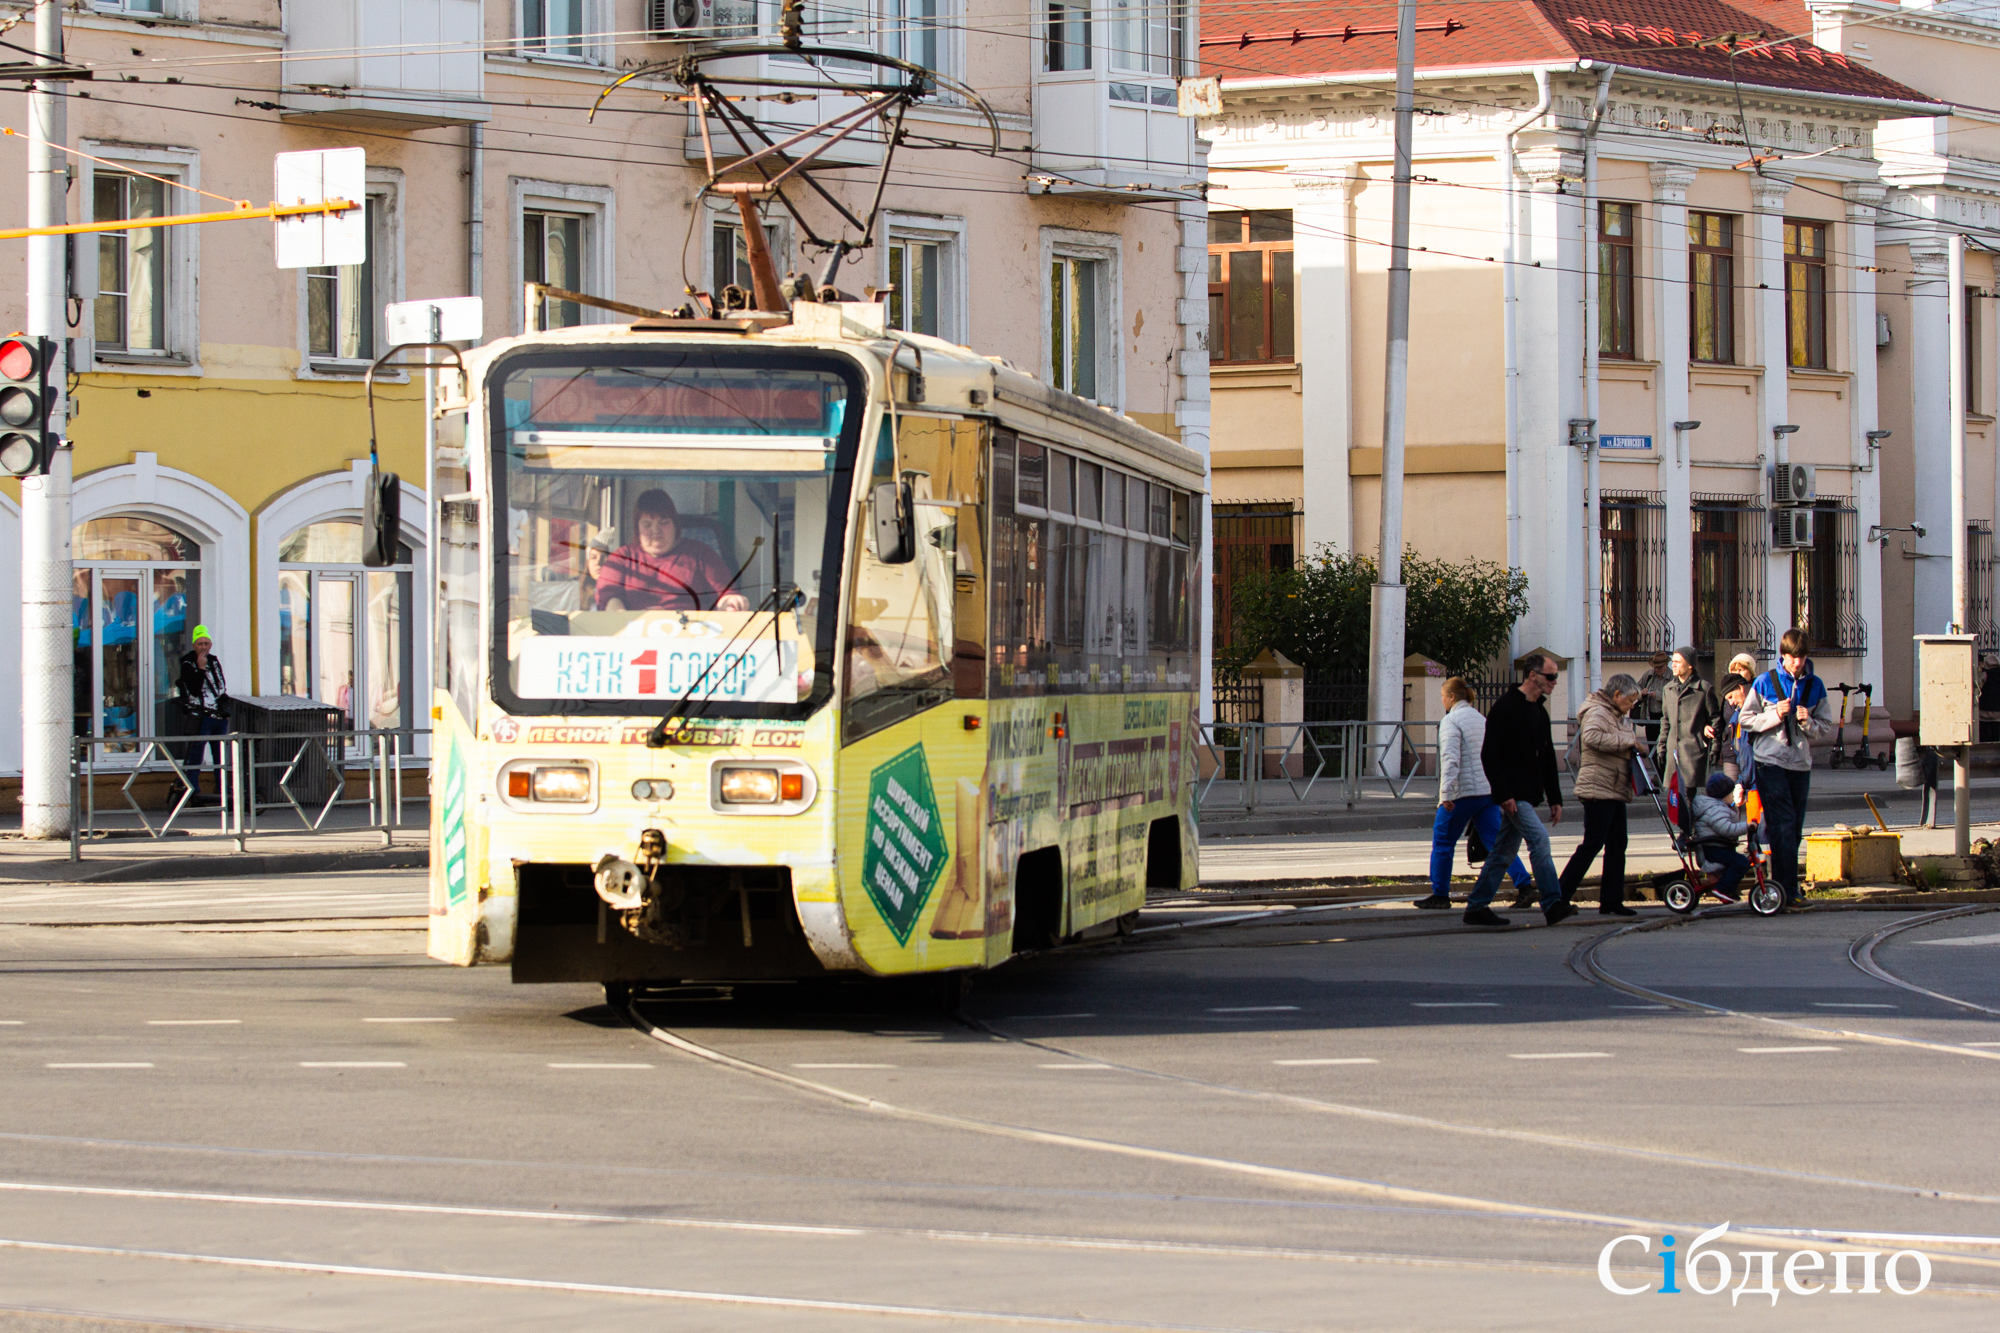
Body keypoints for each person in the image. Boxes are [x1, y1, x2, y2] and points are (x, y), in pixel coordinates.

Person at [1462, 655, 1573, 928]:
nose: (1554, 682)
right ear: (1532, 676)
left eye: (1556, 677)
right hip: (1513, 794)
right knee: (1540, 841)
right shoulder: (1506, 707)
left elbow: (1546, 757)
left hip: (1528, 792)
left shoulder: (1539, 711)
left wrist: (1555, 798)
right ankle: (1552, 903)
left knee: (1502, 853)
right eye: (1550, 677)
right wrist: (1503, 793)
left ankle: (1476, 907)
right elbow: (1490, 754)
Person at [1414, 676, 1532, 910]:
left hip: (1463, 793)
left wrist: (1445, 793)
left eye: (1443, 696)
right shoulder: (1480, 718)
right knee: (1496, 842)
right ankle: (1525, 886)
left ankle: (1440, 894)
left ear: (1452, 697)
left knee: (1443, 841)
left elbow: (1450, 759)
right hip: (1487, 791)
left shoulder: (1451, 721)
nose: (1442, 701)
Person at [1739, 628, 1834, 908]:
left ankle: (1783, 889)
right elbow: (1746, 719)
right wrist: (1774, 714)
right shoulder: (1764, 681)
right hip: (1770, 761)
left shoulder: (1815, 685)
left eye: (1801, 657)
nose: (1796, 662)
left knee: (1794, 829)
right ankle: (1786, 890)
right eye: (1792, 657)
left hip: (1800, 764)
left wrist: (1807, 721)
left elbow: (1824, 727)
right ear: (1783, 655)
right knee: (1782, 824)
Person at [1560, 673, 1646, 916]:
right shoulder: (1598, 711)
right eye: (1629, 701)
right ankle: (1560, 895)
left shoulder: (1615, 715)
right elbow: (1592, 737)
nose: (1631, 707)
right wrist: (1628, 742)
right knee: (1593, 843)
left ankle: (1611, 900)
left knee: (1618, 844)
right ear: (1616, 695)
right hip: (1598, 787)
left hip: (1614, 787)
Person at [596, 490, 751, 613]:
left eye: (663, 523)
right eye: (647, 524)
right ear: (637, 528)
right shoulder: (621, 557)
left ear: (675, 525)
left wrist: (732, 603)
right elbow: (608, 596)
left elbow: (725, 594)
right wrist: (623, 617)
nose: (655, 531)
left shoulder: (701, 553)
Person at [176, 626, 229, 806]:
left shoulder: (214, 661)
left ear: (211, 644)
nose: (204, 647)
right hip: (200, 715)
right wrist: (200, 669)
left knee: (221, 755)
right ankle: (193, 791)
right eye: (200, 644)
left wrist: (224, 704)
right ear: (194, 645)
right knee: (196, 754)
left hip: (218, 716)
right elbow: (194, 688)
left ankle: (224, 791)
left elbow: (221, 685)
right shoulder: (187, 662)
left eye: (206, 643)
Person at [1657, 645, 1717, 794]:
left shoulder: (1704, 689)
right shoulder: (1668, 689)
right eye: (1673, 661)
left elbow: (1715, 720)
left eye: (1678, 661)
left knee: (1689, 799)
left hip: (1693, 752)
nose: (1673, 665)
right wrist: (1661, 747)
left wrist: (1714, 747)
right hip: (1673, 751)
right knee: (1674, 801)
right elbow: (1665, 721)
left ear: (1690, 665)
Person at [1692, 771, 1752, 904]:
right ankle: (1723, 889)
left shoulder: (1718, 807)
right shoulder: (1716, 809)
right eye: (1731, 793)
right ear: (1724, 796)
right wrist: (1748, 826)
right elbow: (1727, 829)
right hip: (1713, 849)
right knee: (1741, 862)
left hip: (1716, 847)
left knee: (1738, 861)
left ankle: (1728, 890)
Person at [1633, 650, 1672, 751]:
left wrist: (1658, 695)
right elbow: (1635, 690)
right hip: (1650, 716)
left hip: (1665, 717)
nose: (1657, 669)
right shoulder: (1648, 675)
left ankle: (1662, 766)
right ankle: (1654, 765)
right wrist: (1642, 693)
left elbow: (1675, 697)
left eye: (1659, 667)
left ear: (1665, 665)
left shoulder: (1672, 677)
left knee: (1664, 747)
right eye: (1655, 667)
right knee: (1652, 746)